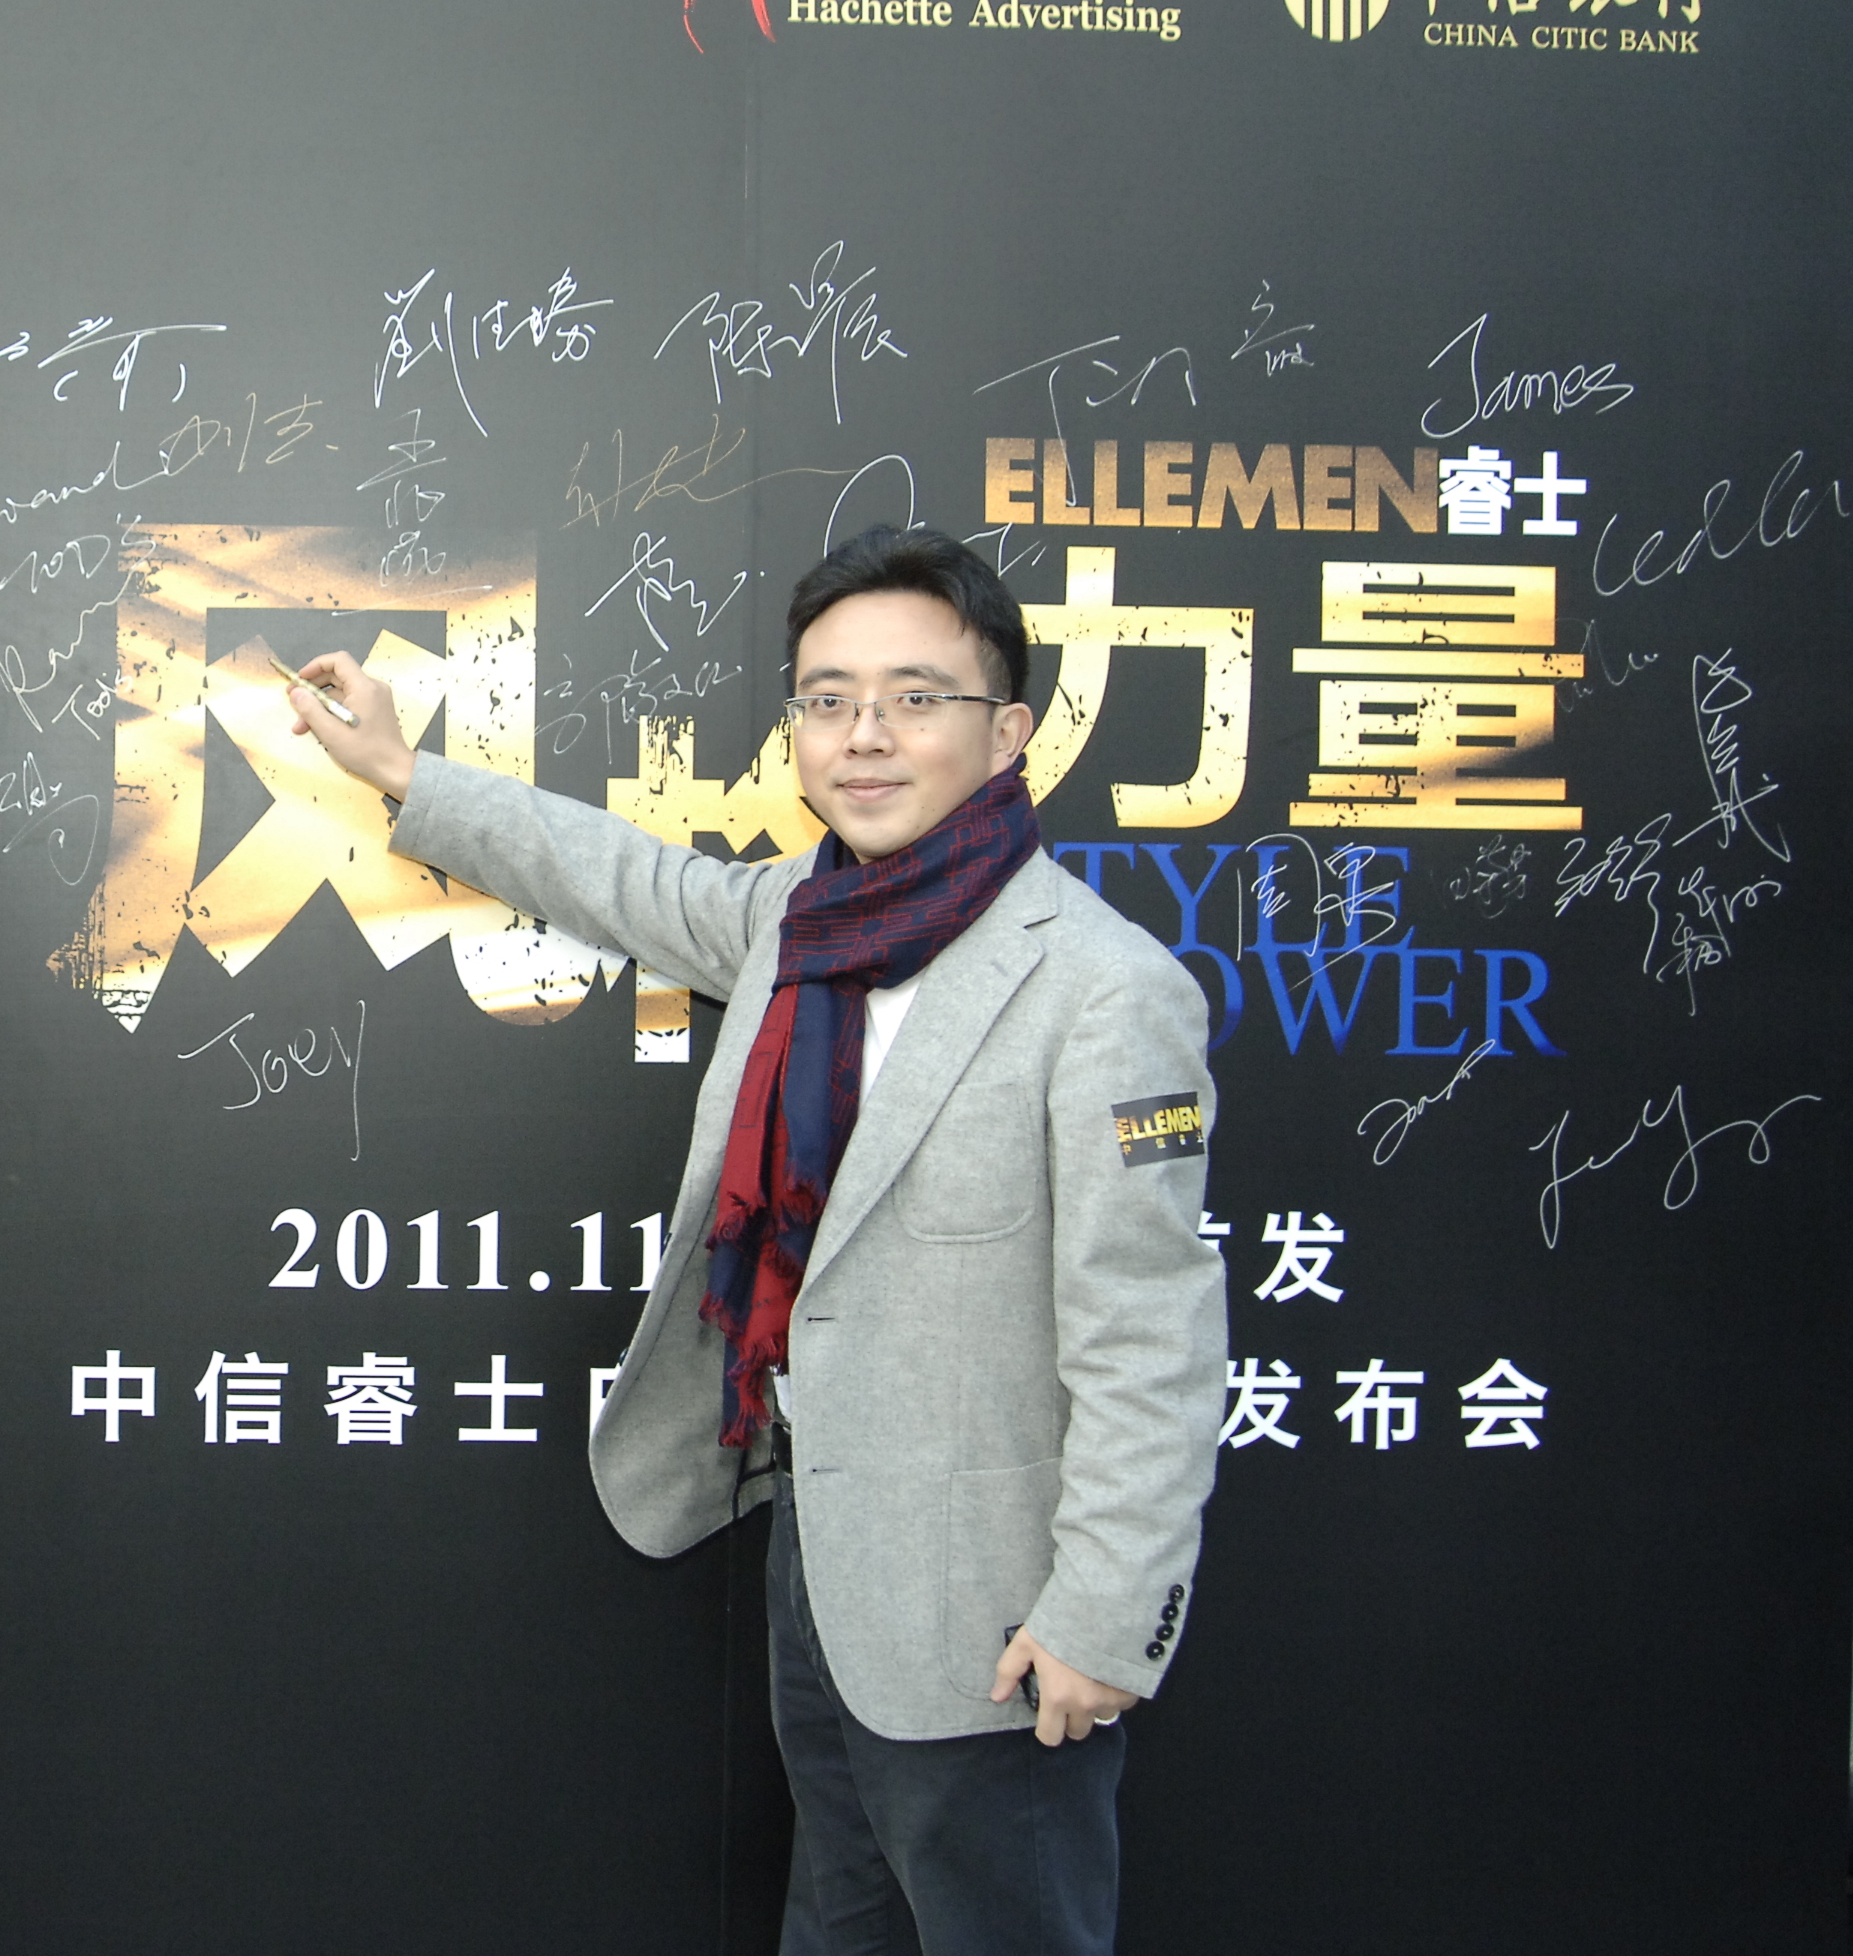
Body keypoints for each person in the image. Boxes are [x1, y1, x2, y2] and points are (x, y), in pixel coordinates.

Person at [285, 526, 1224, 1955]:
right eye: (828, 700)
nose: (865, 736)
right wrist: (404, 772)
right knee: (840, 1925)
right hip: (821, 1566)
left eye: (916, 698)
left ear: (1009, 732)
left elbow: (1150, 1337)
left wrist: (1104, 1615)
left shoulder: (1106, 990)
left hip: (997, 1612)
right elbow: (623, 878)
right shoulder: (803, 919)